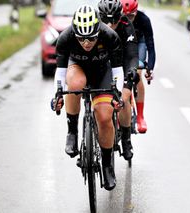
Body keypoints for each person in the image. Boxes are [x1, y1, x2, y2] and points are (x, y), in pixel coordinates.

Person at [51, 5, 124, 191]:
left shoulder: (110, 36)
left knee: (105, 116)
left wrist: (117, 94)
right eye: (81, 38)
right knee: (75, 85)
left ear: (98, 30)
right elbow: (60, 75)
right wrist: (57, 94)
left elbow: (117, 72)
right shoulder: (65, 38)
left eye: (91, 37)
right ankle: (72, 132)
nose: (86, 43)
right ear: (74, 32)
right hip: (79, 69)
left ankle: (107, 165)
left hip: (103, 72)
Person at [98, 0, 139, 161]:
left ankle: (126, 139)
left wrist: (131, 72)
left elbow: (132, 55)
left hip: (122, 65)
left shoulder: (126, 24)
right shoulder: (95, 26)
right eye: (106, 21)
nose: (110, 25)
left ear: (119, 17)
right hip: (101, 66)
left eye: (113, 21)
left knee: (124, 98)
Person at [120, 0, 155, 134]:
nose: (128, 20)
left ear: (136, 12)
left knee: (137, 73)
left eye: (131, 17)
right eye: (125, 17)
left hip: (139, 42)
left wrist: (149, 68)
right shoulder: (117, 19)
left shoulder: (144, 20)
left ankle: (140, 116)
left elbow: (151, 46)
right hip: (124, 41)